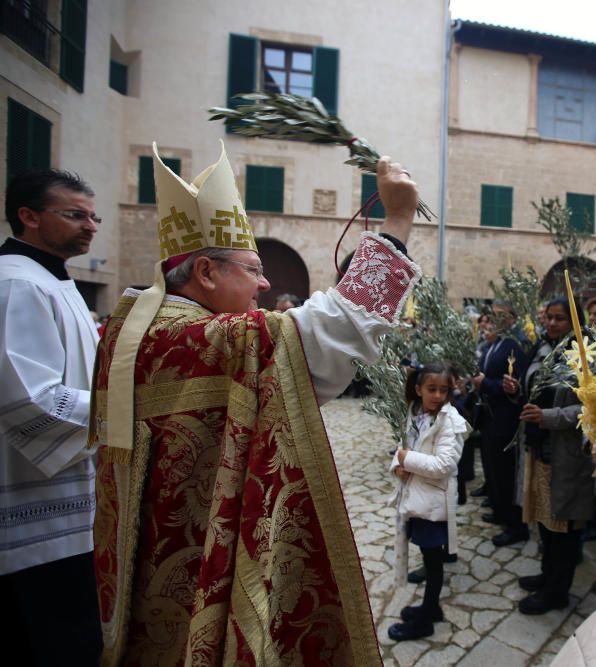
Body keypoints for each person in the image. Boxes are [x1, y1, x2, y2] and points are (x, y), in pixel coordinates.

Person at [90, 143, 420, 665]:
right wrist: (398, 219)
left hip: (138, 566)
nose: (266, 284)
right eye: (253, 268)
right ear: (204, 273)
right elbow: (337, 330)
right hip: (200, 569)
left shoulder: (127, 334)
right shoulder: (206, 341)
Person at [0, 169, 103, 664]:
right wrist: (120, 412)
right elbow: (27, 398)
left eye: (93, 216)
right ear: (29, 217)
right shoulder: (17, 284)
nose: (90, 226)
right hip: (34, 498)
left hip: (69, 491)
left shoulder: (51, 278)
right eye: (75, 214)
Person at [505, 298, 593, 614]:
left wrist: (549, 416)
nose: (553, 323)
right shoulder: (544, 348)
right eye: (550, 318)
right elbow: (535, 393)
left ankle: (558, 591)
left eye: (560, 318)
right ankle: (547, 575)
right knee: (545, 518)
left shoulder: (586, 356)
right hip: (540, 448)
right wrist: (517, 391)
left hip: (567, 455)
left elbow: (591, 407)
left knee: (564, 527)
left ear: (575, 322)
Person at [388, 362, 468, 641]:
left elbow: (444, 465)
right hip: (417, 499)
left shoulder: (451, 421)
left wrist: (406, 460)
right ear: (419, 389)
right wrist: (397, 465)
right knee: (428, 557)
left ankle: (425, 620)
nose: (437, 395)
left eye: (443, 390)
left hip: (433, 505)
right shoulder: (415, 414)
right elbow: (402, 448)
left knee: (433, 562)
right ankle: (431, 608)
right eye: (431, 389)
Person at [471, 301, 528, 547]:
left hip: (505, 418)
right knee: (493, 468)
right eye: (493, 315)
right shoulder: (495, 343)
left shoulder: (514, 345)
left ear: (513, 318)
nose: (494, 319)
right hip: (490, 417)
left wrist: (484, 384)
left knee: (505, 472)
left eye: (501, 315)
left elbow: (513, 385)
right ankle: (498, 510)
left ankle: (513, 525)